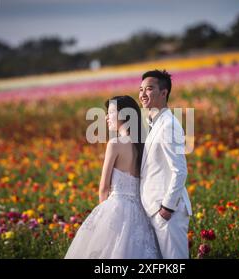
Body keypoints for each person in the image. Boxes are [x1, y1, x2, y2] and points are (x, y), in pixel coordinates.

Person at [64, 95, 161, 259]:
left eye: (110, 112)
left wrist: (101, 219)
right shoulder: (144, 144)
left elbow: (104, 188)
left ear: (124, 115)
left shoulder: (115, 143)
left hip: (116, 207)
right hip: (141, 210)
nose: (107, 117)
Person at [138, 70, 193, 259]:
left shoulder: (168, 124)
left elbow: (180, 170)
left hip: (168, 212)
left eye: (149, 89)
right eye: (141, 89)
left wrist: (167, 209)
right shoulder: (154, 124)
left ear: (164, 93)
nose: (143, 94)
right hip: (155, 210)